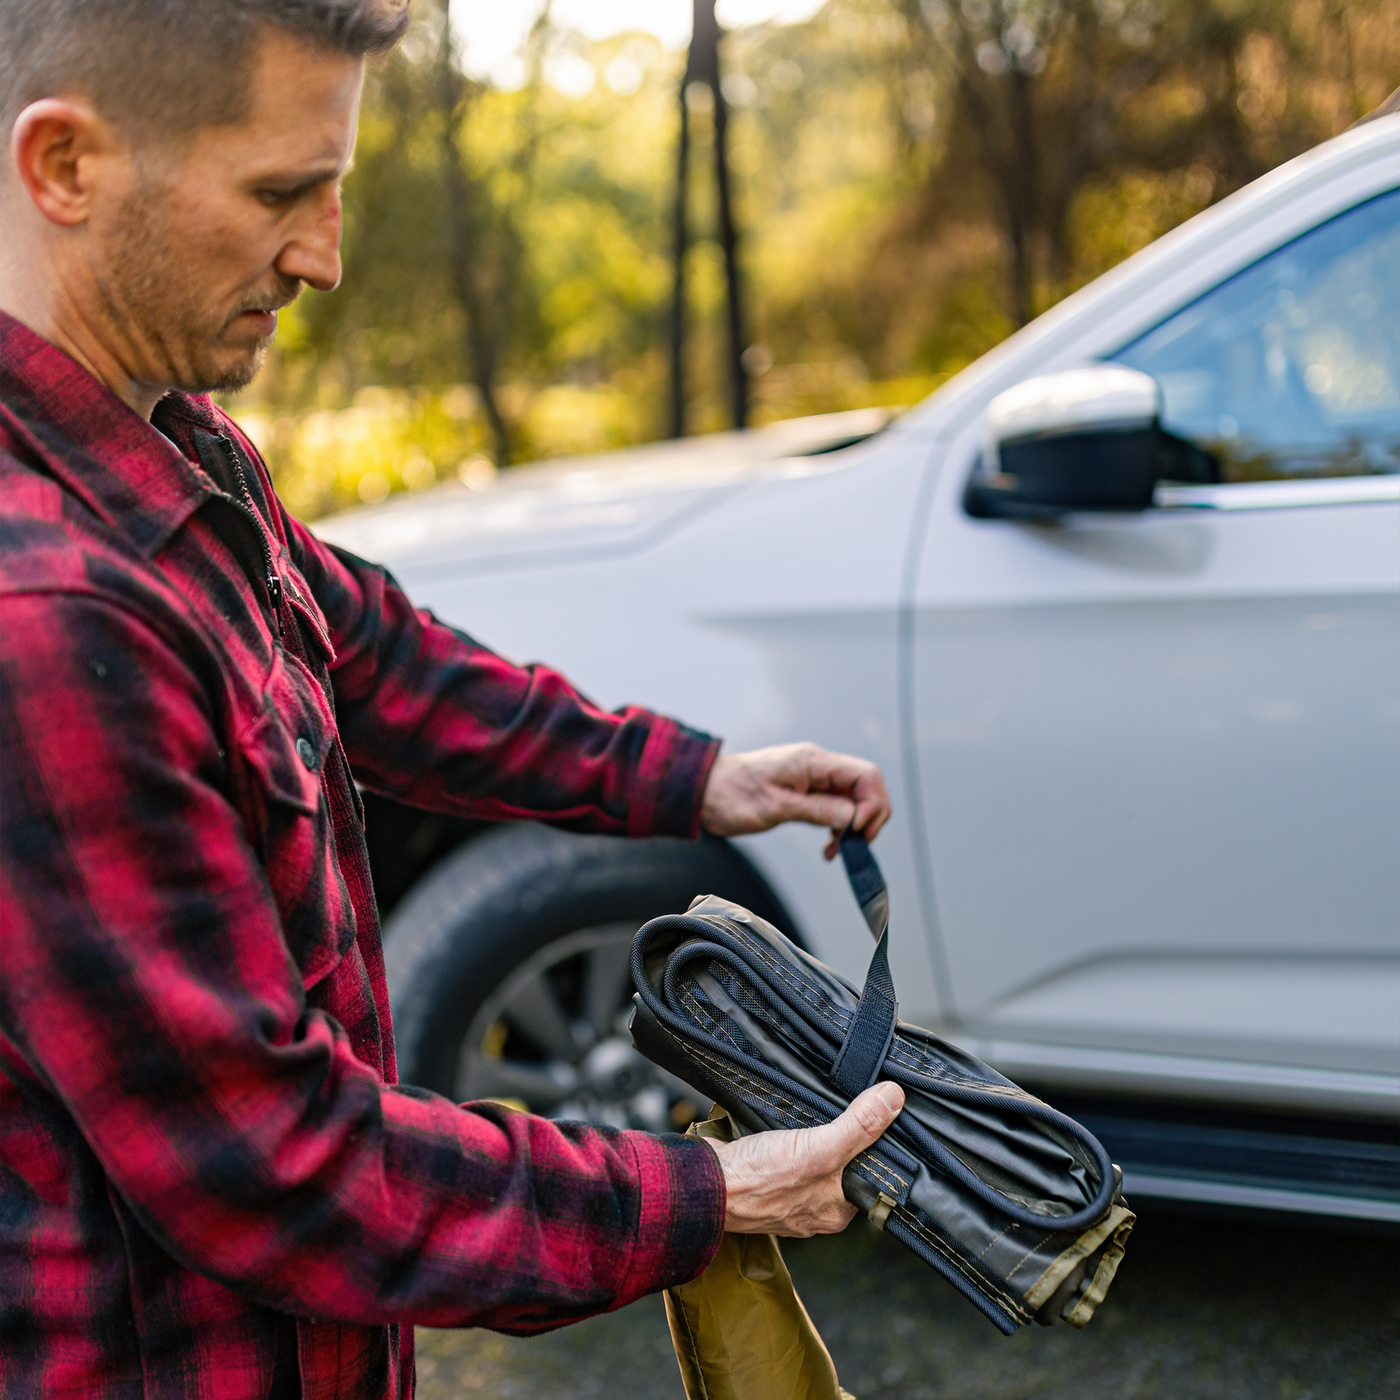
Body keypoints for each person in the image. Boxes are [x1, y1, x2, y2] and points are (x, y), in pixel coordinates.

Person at [0, 3, 905, 1396]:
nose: (325, 254)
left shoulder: (172, 449)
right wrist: (707, 1197)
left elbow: (376, 659)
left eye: (337, 188)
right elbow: (277, 1166)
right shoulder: (48, 622)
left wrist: (697, 776)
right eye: (280, 194)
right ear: (65, 166)